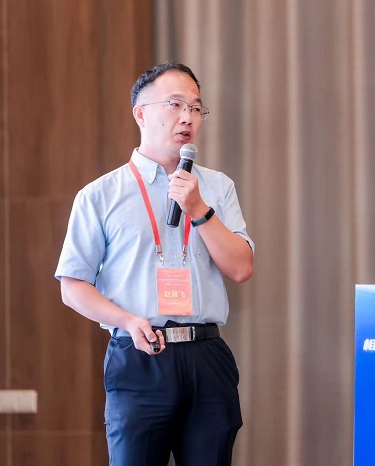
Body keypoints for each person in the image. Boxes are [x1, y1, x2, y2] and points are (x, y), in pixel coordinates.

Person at [55, 62, 254, 466]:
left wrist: (199, 209)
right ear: (140, 114)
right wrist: (127, 321)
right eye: (175, 104)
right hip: (140, 353)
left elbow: (241, 268)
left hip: (206, 355)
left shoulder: (217, 187)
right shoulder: (100, 195)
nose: (188, 117)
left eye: (196, 108)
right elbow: (72, 286)